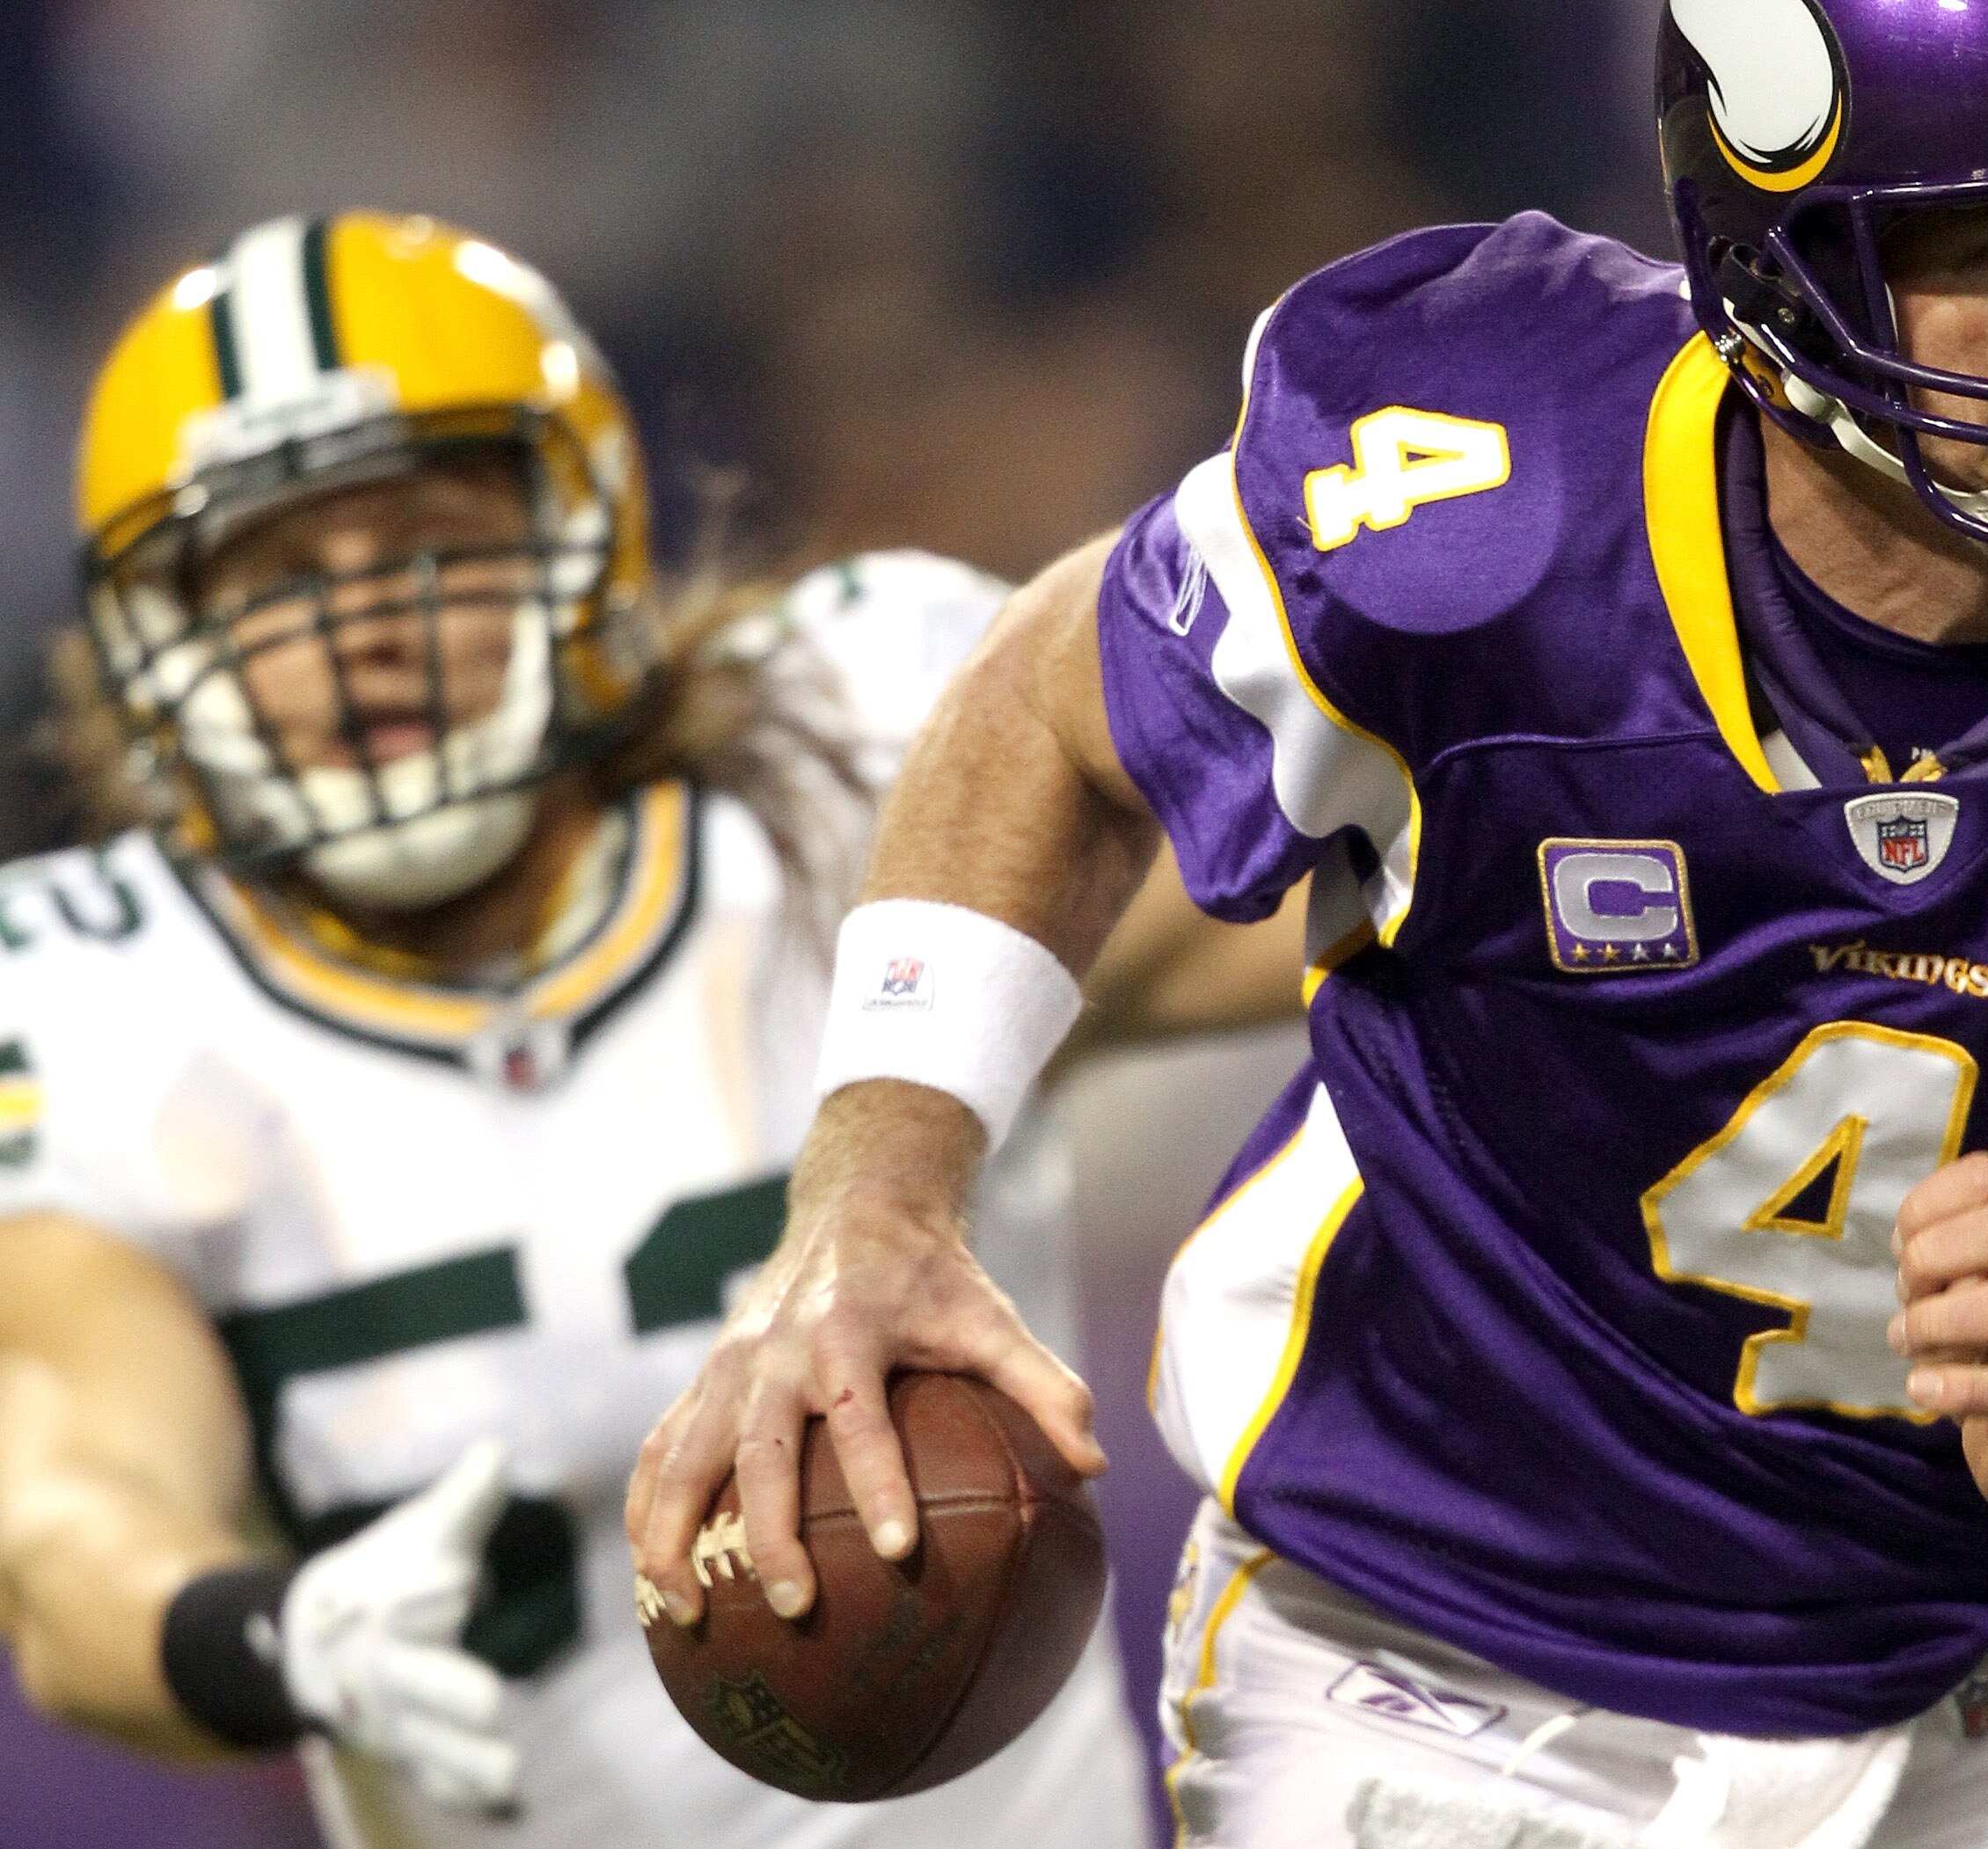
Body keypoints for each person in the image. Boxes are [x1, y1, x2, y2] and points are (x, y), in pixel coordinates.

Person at [629, 0, 1988, 1848]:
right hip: (1419, 1678)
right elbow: (1049, 709)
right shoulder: (1475, 495)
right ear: (1775, 262)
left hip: (1984, 1714)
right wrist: (877, 1183)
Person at [0, 210, 1299, 1848]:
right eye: (270, 582)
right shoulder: (106, 998)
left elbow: (1338, 899)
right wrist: (281, 1633)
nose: (360, 628)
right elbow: (68, 1516)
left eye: (421, 540)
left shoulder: (852, 762)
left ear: (589, 530)